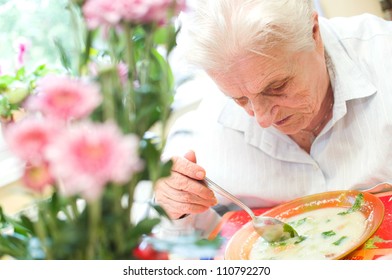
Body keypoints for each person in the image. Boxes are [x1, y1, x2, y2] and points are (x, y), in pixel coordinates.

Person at [154, 0, 392, 238]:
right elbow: (175, 237)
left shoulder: (383, 56)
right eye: (239, 99)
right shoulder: (206, 129)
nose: (262, 119)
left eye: (276, 87)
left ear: (313, 33)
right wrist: (174, 204)